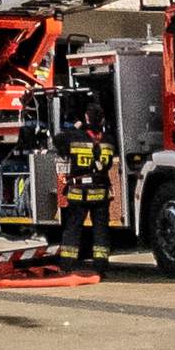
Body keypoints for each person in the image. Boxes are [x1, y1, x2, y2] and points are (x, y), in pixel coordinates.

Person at [57, 101, 116, 267]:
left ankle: (67, 265)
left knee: (73, 229)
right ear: (103, 120)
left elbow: (57, 141)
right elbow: (109, 164)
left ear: (86, 118)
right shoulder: (109, 141)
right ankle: (101, 266)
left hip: (79, 193)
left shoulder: (74, 137)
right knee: (101, 231)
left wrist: (78, 127)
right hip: (101, 193)